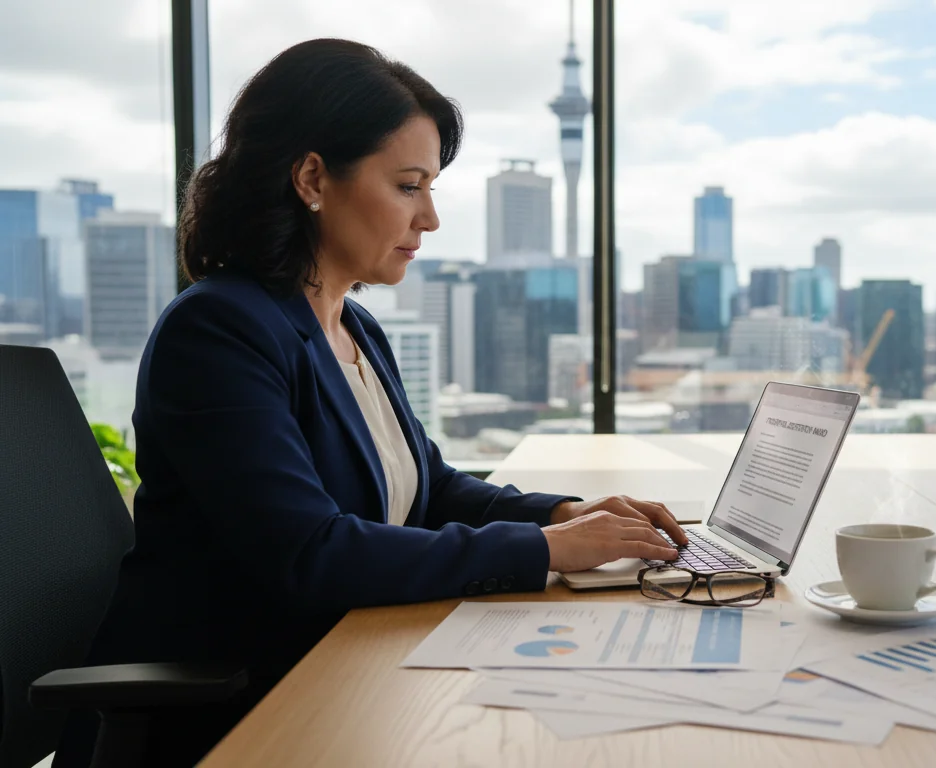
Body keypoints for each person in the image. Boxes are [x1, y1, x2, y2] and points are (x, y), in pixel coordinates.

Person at [56, 38, 685, 767]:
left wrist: (561, 514)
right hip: (237, 714)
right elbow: (310, 554)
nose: (430, 221)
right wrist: (546, 551)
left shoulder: (352, 324)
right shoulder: (219, 329)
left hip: (348, 672)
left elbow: (431, 487)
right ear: (313, 178)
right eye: (408, 186)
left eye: (431, 189)